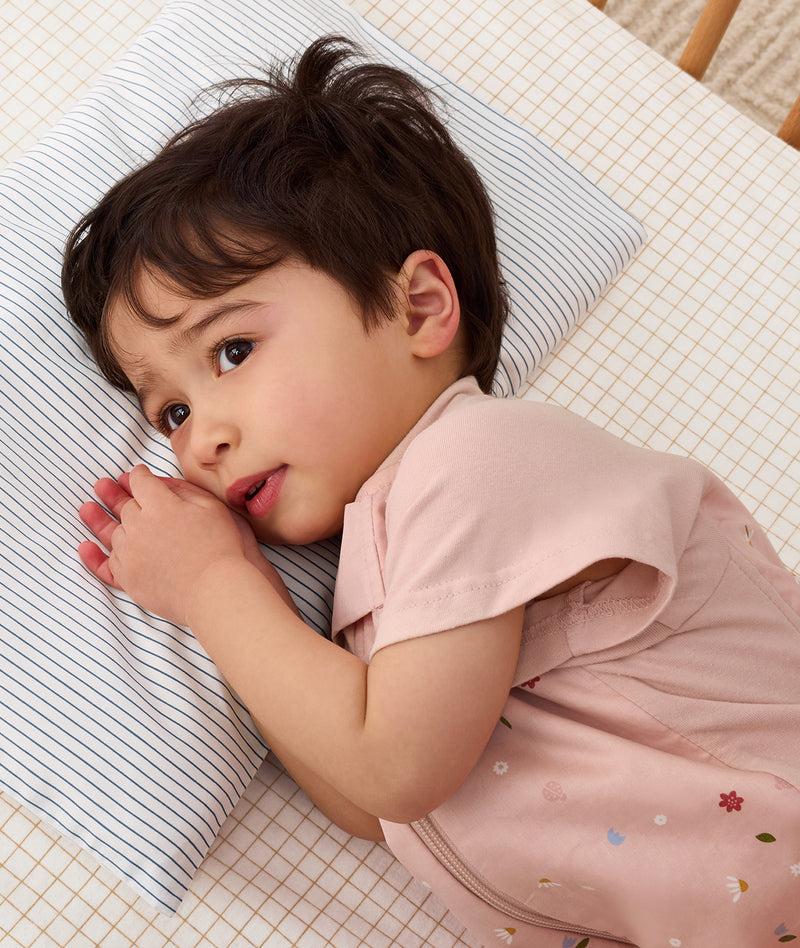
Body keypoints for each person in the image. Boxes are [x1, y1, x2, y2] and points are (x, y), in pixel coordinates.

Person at [62, 36, 800, 948]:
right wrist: (244, 593)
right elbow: (371, 804)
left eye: (233, 351)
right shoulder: (379, 573)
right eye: (170, 413)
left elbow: (395, 768)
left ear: (417, 307)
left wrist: (215, 589)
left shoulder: (479, 459)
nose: (200, 438)